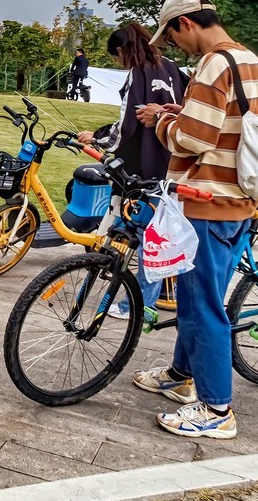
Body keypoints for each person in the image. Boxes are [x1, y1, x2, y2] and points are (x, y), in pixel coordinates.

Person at [133, 0, 258, 440]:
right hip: (238, 200)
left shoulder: (214, 62)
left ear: (186, 23)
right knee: (200, 296)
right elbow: (231, 125)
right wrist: (181, 112)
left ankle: (216, 408)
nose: (175, 47)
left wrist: (158, 119)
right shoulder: (251, 61)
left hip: (206, 202)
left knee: (201, 305)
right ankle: (180, 373)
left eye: (172, 37)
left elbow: (192, 140)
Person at [76, 23, 185, 318]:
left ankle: (137, 305)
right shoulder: (173, 67)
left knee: (143, 236)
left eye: (116, 56)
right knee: (148, 233)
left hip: (144, 167)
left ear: (122, 50)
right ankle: (137, 295)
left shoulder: (139, 71)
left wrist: (97, 137)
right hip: (171, 164)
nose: (118, 62)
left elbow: (126, 126)